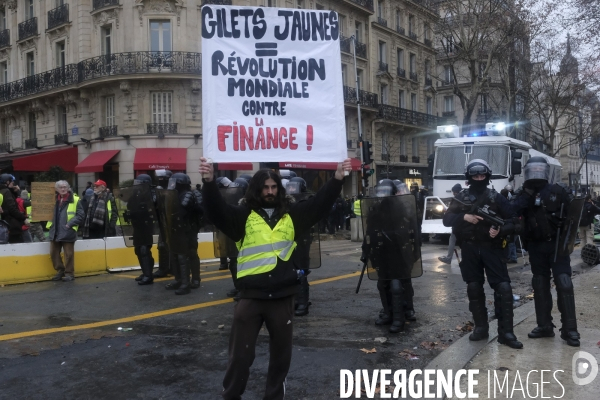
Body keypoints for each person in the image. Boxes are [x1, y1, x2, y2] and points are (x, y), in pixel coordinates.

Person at [200, 157, 351, 400]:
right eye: (265, 188)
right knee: (240, 357)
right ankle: (231, 395)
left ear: (279, 189)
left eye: (273, 187)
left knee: (281, 359)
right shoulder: (242, 216)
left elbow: (319, 205)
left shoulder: (292, 215)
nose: (269, 192)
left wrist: (337, 179)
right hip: (250, 298)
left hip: (282, 298)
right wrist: (208, 183)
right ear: (257, 190)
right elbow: (216, 212)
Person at [443, 159, 523, 349]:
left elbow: (515, 222)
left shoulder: (497, 197)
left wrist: (500, 230)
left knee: (503, 288)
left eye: (482, 175)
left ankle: (507, 332)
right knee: (473, 287)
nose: (479, 178)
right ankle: (481, 327)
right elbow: (447, 220)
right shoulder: (461, 198)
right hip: (470, 249)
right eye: (475, 176)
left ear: (487, 176)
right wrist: (464, 216)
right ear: (469, 177)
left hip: (492, 248)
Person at [511, 157, 581, 347]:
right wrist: (525, 195)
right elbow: (512, 212)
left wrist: (568, 237)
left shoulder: (558, 190)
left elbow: (573, 216)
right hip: (536, 245)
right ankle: (544, 326)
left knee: (564, 283)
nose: (535, 173)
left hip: (557, 245)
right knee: (540, 284)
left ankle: (570, 329)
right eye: (532, 170)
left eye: (538, 169)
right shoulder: (524, 194)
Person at [164, 173, 203, 295]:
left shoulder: (187, 194)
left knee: (188, 254)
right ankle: (179, 279)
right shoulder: (175, 194)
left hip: (188, 229)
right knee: (175, 254)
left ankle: (191, 281)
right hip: (177, 229)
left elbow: (181, 210)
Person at [286, 176, 315, 316]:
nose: (292, 190)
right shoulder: (286, 202)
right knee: (292, 270)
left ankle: (303, 302)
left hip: (303, 239)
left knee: (301, 271)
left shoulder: (306, 200)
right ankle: (295, 300)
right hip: (289, 238)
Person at [47, 180, 85, 281]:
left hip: (68, 231)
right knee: (53, 253)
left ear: (68, 188)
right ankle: (60, 271)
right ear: (56, 189)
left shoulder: (76, 200)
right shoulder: (52, 200)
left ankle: (69, 273)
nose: (63, 189)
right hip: (55, 231)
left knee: (69, 254)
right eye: (60, 187)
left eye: (65, 187)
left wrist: (70, 224)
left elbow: (80, 215)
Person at [126, 174, 157, 285]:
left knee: (144, 250)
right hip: (137, 225)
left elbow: (154, 209)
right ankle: (145, 272)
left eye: (139, 183)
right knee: (138, 250)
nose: (136, 185)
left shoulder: (152, 194)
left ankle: (149, 275)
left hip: (147, 225)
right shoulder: (136, 194)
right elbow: (130, 205)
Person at [153, 169, 173, 278]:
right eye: (159, 178)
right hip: (163, 221)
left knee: (174, 247)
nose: (160, 180)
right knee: (162, 245)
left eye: (162, 178)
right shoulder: (159, 190)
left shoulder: (173, 190)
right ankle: (163, 268)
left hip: (172, 222)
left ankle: (172, 268)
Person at [439, 183, 463, 264]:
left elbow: (453, 210)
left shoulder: (456, 199)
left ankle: (449, 258)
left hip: (456, 224)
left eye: (453, 191)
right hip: (463, 224)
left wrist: (447, 211)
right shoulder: (464, 197)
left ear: (455, 191)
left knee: (452, 240)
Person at [0, 174, 26, 243]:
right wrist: (24, 218)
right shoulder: (7, 192)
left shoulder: (3, 191)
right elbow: (12, 209)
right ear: (7, 182)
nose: (13, 183)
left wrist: (14, 192)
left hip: (4, 225)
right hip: (12, 225)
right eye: (12, 182)